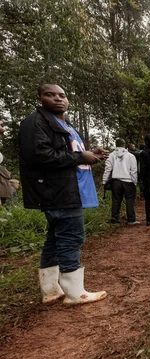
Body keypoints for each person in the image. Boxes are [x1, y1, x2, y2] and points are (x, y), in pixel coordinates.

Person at [18, 83, 108, 305]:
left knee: (54, 238)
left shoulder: (63, 123)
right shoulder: (35, 123)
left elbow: (69, 152)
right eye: (51, 95)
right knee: (71, 238)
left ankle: (51, 290)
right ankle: (75, 293)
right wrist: (80, 157)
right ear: (40, 98)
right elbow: (41, 155)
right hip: (58, 191)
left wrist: (89, 154)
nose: (58, 99)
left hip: (66, 189)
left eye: (62, 95)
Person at [102, 138, 139, 225]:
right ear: (125, 145)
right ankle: (131, 219)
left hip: (116, 182)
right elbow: (133, 170)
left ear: (116, 144)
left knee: (116, 200)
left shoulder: (111, 155)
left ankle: (115, 219)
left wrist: (104, 181)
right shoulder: (131, 156)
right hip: (128, 182)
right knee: (129, 200)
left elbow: (108, 169)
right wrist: (135, 181)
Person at [138, 143, 150, 225]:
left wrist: (142, 180)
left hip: (146, 181)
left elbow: (140, 169)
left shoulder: (142, 155)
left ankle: (149, 219)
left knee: (148, 201)